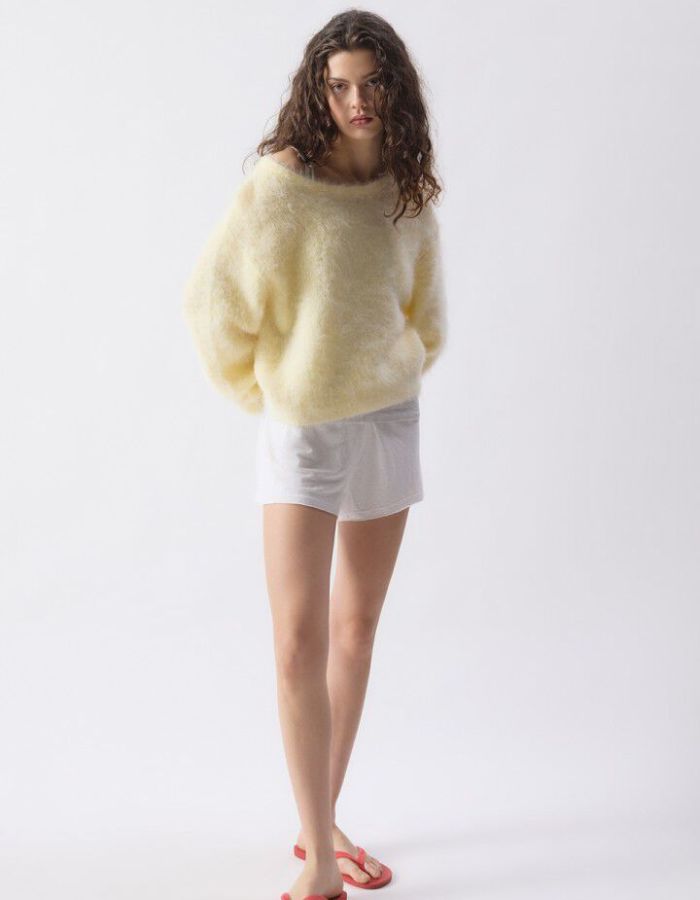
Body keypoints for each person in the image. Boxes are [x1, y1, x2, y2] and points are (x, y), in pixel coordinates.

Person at [183, 10, 447, 900]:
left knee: (355, 631)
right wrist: (274, 394)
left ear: (394, 88)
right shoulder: (283, 187)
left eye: (371, 84)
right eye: (338, 86)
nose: (356, 101)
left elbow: (428, 311)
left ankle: (316, 826)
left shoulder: (407, 188)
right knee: (298, 642)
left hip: (388, 421)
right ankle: (323, 870)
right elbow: (212, 304)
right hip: (305, 431)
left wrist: (394, 371)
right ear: (317, 91)